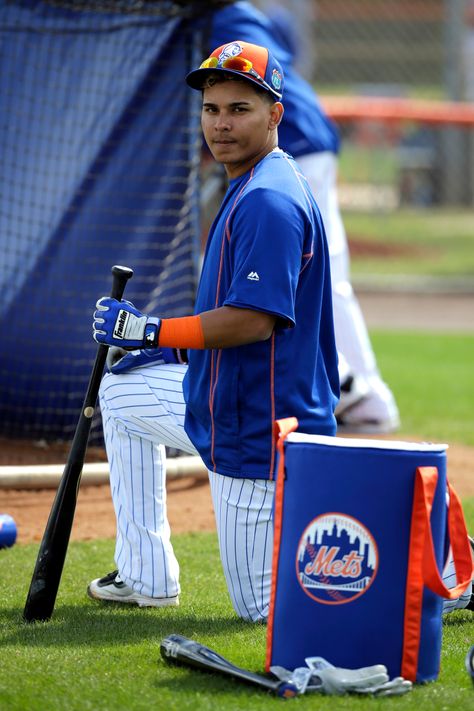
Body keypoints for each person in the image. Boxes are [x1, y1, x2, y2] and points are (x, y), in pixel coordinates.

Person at [88, 40, 340, 621]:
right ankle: (145, 575)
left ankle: (450, 577)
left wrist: (150, 331)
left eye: (239, 109)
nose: (220, 124)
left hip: (259, 430)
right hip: (223, 402)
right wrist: (168, 346)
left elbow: (252, 321)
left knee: (263, 611)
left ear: (275, 114)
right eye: (212, 109)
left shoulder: (268, 201)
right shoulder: (254, 179)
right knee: (122, 395)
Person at [203, 0, 400, 434]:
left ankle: (352, 389)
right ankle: (365, 398)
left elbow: (249, 90)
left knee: (310, 276)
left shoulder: (221, 18)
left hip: (293, 144)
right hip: (304, 139)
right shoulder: (230, 15)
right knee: (324, 278)